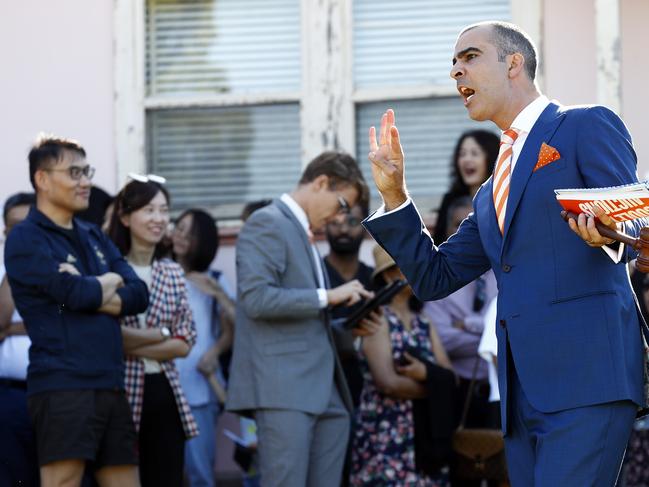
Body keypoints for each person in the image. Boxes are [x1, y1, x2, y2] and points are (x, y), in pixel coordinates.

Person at [363, 21, 646, 486]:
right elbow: (435, 277)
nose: (456, 71)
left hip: (588, 379)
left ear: (514, 63)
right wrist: (396, 198)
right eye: (453, 64)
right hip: (519, 397)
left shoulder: (583, 125)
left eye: (469, 57)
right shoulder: (491, 190)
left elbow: (636, 217)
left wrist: (612, 234)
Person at [227, 151, 379, 487]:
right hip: (284, 389)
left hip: (326, 391)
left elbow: (304, 319)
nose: (341, 216)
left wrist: (348, 330)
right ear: (321, 182)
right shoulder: (267, 221)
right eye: (341, 204)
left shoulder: (302, 231)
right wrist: (329, 296)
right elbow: (256, 299)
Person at [5, 135, 149, 487]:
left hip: (111, 384)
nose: (85, 182)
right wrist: (102, 286)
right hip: (62, 386)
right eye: (74, 173)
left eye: (87, 171)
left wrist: (101, 283)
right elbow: (72, 294)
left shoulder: (93, 235)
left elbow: (139, 295)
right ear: (42, 179)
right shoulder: (26, 238)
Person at [108, 178, 198, 487]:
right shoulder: (109, 271)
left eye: (164, 210)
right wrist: (162, 333)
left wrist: (128, 343)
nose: (159, 219)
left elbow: (186, 341)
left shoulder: (171, 271)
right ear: (124, 217)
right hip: (121, 391)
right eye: (149, 210)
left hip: (165, 391)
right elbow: (107, 337)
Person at [350, 244, 452, 486]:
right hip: (385, 433)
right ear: (386, 275)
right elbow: (388, 384)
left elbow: (450, 375)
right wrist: (434, 388)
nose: (410, 273)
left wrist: (425, 373)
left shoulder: (423, 321)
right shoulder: (377, 319)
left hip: (424, 435)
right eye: (401, 268)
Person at [424, 196, 498, 486]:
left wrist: (467, 325)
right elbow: (443, 339)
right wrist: (488, 334)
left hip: (499, 393)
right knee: (460, 473)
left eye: (475, 225)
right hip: (457, 390)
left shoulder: (502, 273)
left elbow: (509, 331)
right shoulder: (441, 279)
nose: (466, 232)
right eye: (458, 225)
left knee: (501, 470)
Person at [172, 208, 235, 487]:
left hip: (199, 390)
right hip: (162, 387)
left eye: (191, 232)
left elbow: (237, 329)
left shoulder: (215, 279)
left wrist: (218, 294)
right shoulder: (159, 272)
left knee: (200, 474)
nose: (181, 235)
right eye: (179, 227)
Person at [0, 192, 38, 487]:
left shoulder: (61, 267)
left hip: (54, 393)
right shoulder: (3, 272)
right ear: (5, 231)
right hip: (9, 396)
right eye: (15, 226)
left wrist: (12, 329)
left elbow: (61, 317)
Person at [432, 130, 499, 244]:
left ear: (492, 158)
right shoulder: (450, 200)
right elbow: (439, 242)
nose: (467, 159)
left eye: (474, 153)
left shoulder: (501, 199)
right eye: (462, 154)